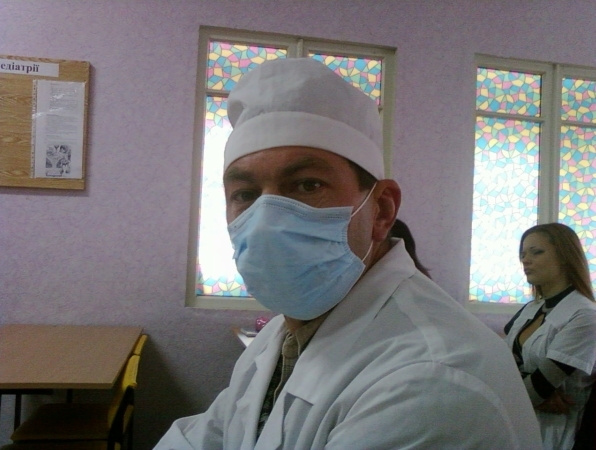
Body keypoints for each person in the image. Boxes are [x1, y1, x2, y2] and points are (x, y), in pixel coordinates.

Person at [155, 58, 542, 450]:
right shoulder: (281, 336)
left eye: (307, 185)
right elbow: (210, 435)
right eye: (245, 194)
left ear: (382, 210)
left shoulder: (433, 378)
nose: (266, 221)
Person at [503, 223, 596, 450]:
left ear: (564, 257)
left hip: (558, 432)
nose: (526, 260)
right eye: (523, 254)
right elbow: (499, 366)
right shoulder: (529, 309)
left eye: (537, 252)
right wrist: (528, 387)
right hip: (519, 423)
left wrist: (530, 390)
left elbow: (537, 390)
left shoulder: (584, 314)